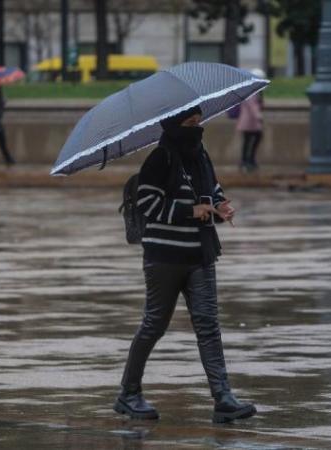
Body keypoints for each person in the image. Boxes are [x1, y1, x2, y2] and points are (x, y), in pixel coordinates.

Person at [114, 105, 257, 424]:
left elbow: (212, 190)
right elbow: (148, 203)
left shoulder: (201, 156)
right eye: (190, 123)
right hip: (164, 258)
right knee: (154, 324)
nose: (196, 129)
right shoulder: (160, 158)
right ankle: (129, 393)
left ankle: (223, 398)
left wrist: (219, 206)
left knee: (208, 325)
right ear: (175, 125)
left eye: (198, 122)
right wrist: (190, 211)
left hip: (200, 254)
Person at [237, 68, 265, 172]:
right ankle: (247, 161)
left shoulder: (252, 89)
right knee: (251, 139)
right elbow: (252, 106)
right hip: (249, 121)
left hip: (250, 121)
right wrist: (259, 116)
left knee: (249, 140)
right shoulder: (251, 90)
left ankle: (248, 160)